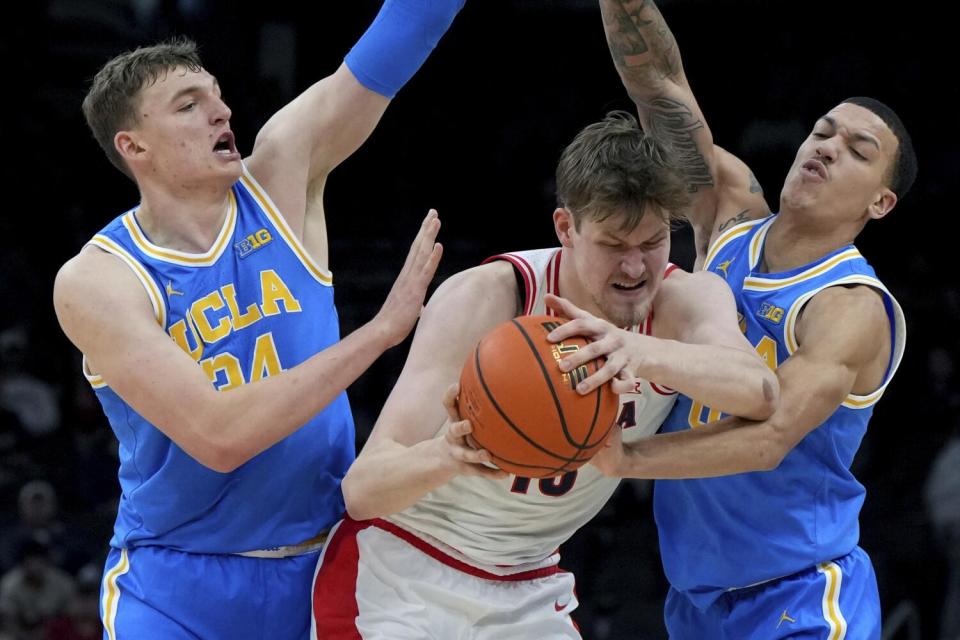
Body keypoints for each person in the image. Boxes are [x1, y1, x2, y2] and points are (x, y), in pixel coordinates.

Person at [51, 1, 466, 637]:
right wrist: (379, 333)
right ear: (133, 146)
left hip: (326, 566)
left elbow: (396, 41)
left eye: (216, 96)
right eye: (188, 105)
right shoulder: (100, 279)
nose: (220, 111)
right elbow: (221, 437)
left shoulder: (278, 177)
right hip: (177, 585)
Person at [310, 110, 779, 638]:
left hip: (528, 582)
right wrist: (446, 456)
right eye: (613, 246)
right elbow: (362, 491)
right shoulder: (489, 296)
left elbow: (760, 393)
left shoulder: (682, 302)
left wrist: (636, 349)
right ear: (566, 228)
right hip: (400, 568)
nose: (634, 268)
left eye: (651, 243)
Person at [555, 1, 916, 637]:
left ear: (880, 202)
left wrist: (626, 460)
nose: (827, 148)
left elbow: (769, 438)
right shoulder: (729, 219)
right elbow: (658, 86)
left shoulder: (850, 307)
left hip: (800, 593)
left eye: (857, 151)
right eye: (822, 131)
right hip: (697, 597)